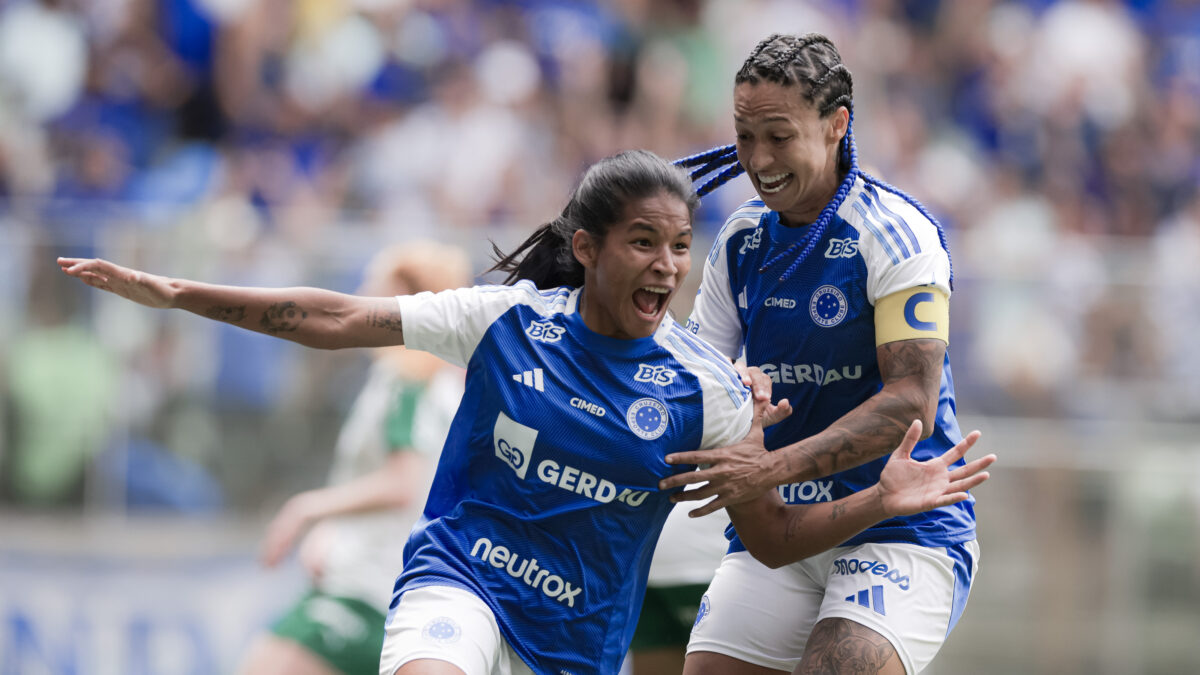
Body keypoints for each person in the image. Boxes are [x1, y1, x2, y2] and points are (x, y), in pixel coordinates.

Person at [58, 149, 992, 675]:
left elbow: (776, 539)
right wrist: (180, 293)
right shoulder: (505, 321)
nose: (668, 265)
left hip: (577, 645)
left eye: (678, 246)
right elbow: (338, 317)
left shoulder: (706, 390)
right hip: (461, 585)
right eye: (642, 243)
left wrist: (881, 501)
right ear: (586, 248)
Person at [662, 33, 979, 675]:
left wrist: (764, 470)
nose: (758, 158)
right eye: (745, 137)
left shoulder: (896, 234)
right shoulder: (740, 238)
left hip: (901, 530)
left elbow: (907, 404)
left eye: (779, 137)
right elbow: (694, 382)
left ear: (838, 124)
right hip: (781, 530)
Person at [236, 242, 470, 675]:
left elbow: (401, 484)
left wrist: (308, 507)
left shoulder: (407, 379)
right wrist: (334, 528)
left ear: (401, 298)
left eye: (374, 283)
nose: (361, 292)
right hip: (372, 584)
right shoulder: (432, 383)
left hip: (368, 591)